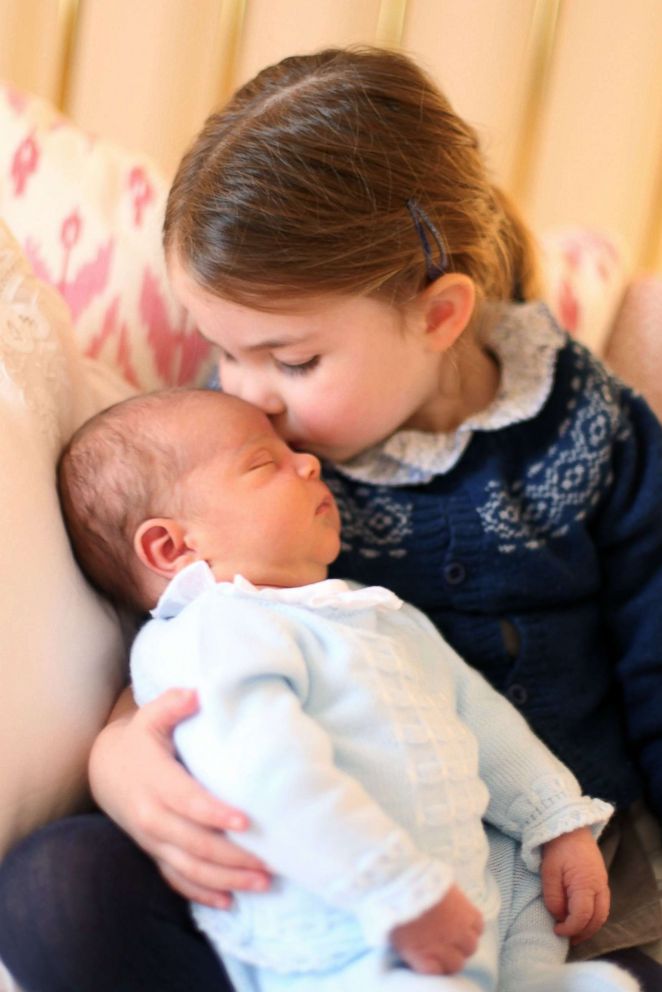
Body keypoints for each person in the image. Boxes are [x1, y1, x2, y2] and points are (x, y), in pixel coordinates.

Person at [1, 45, 661, 992]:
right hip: (311, 848)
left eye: (291, 360)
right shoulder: (236, 443)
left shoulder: (593, 434)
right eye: (224, 354)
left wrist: (568, 824)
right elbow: (178, 628)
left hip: (544, 871)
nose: (249, 396)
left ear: (439, 315)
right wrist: (117, 761)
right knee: (54, 892)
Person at [55, 385, 634, 992]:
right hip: (348, 933)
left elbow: (480, 718)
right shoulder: (212, 631)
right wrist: (395, 890)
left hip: (469, 906)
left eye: (291, 451)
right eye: (263, 463)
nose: (308, 463)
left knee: (539, 919)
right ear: (173, 546)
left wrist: (554, 820)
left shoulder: (377, 612)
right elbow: (267, 776)